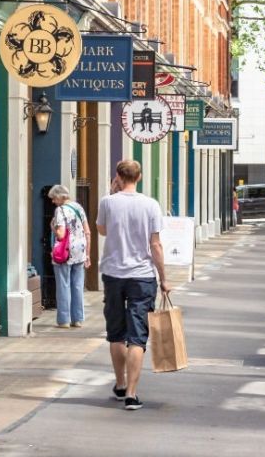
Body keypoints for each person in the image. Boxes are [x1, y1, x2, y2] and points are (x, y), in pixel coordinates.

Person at [95, 159, 170, 411]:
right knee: (137, 336)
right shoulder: (150, 205)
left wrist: (112, 191)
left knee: (116, 333)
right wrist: (164, 278)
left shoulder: (107, 202)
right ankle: (131, 393)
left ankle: (119, 383)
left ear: (118, 176)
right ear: (139, 177)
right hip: (142, 275)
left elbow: (102, 230)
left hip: (113, 274)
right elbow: (156, 245)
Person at [49, 184, 91, 329]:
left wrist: (52, 226)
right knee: (78, 285)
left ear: (60, 196)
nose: (53, 201)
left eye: (54, 198)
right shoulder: (79, 207)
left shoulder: (60, 210)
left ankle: (64, 320)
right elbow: (87, 231)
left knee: (63, 285)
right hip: (80, 250)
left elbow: (60, 234)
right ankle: (77, 319)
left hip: (65, 252)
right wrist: (88, 254)